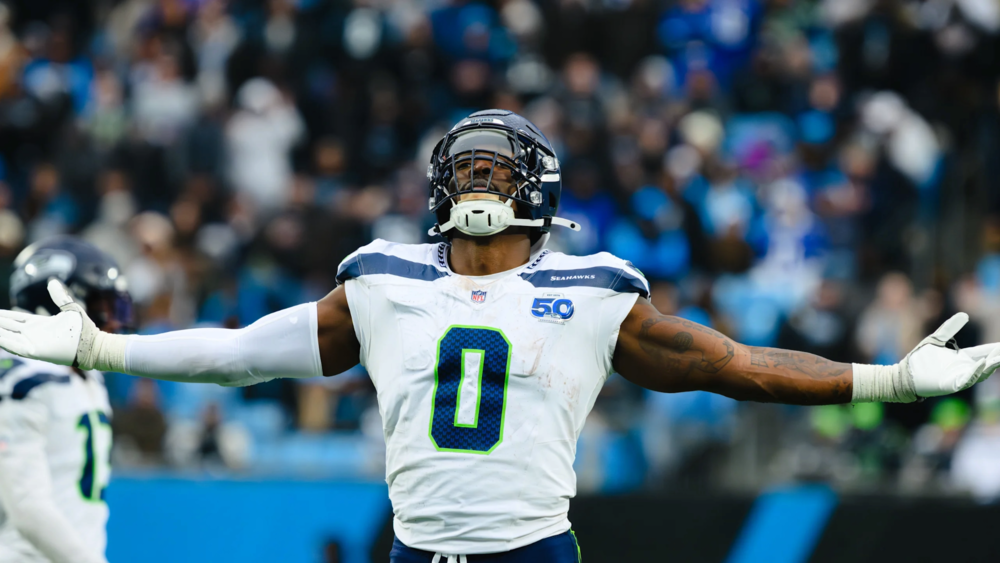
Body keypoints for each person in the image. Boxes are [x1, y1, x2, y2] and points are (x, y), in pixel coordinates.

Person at [0, 110, 997, 563]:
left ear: (535, 191)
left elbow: (739, 367)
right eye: (466, 171)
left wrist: (894, 378)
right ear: (439, 188)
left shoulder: (597, 289)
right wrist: (101, 349)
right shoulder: (382, 281)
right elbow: (240, 347)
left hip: (530, 553)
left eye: (495, 172)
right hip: (417, 550)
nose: (479, 185)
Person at [0, 237, 132, 563]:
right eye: (100, 306)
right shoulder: (21, 377)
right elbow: (27, 506)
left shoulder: (89, 376)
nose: (110, 321)